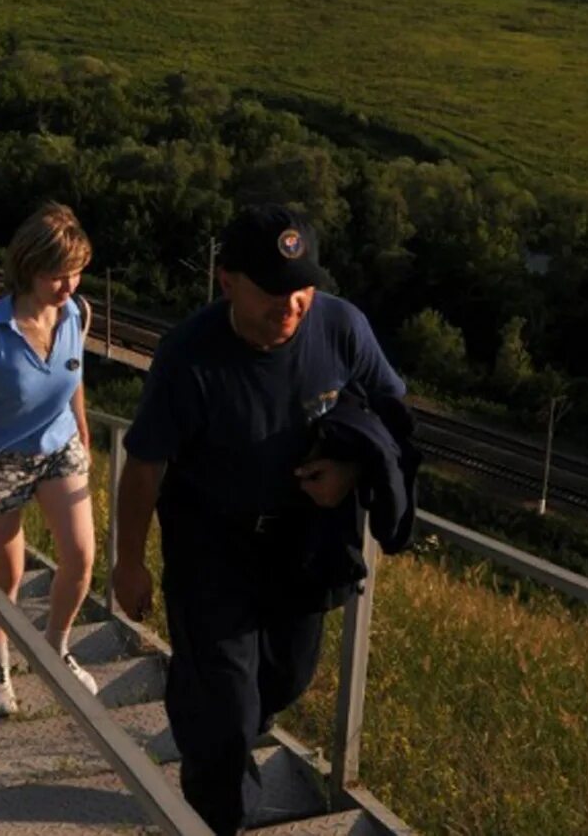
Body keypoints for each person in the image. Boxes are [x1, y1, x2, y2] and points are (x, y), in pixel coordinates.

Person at [111, 204, 420, 835]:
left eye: (302, 289)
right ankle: (216, 804)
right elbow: (143, 466)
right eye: (274, 293)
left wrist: (354, 472)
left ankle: (208, 724)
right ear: (227, 280)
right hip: (211, 547)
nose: (291, 307)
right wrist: (129, 561)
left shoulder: (341, 327)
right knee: (225, 712)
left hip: (300, 543)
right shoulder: (188, 356)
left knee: (286, 677)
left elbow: (393, 409)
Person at [0, 203, 100, 717]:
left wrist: (80, 429)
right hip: (2, 458)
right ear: (28, 268)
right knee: (8, 575)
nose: (68, 285)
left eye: (76, 273)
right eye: (56, 275)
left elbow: (74, 373)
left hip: (58, 446)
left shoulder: (78, 314)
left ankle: (55, 648)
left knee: (81, 557)